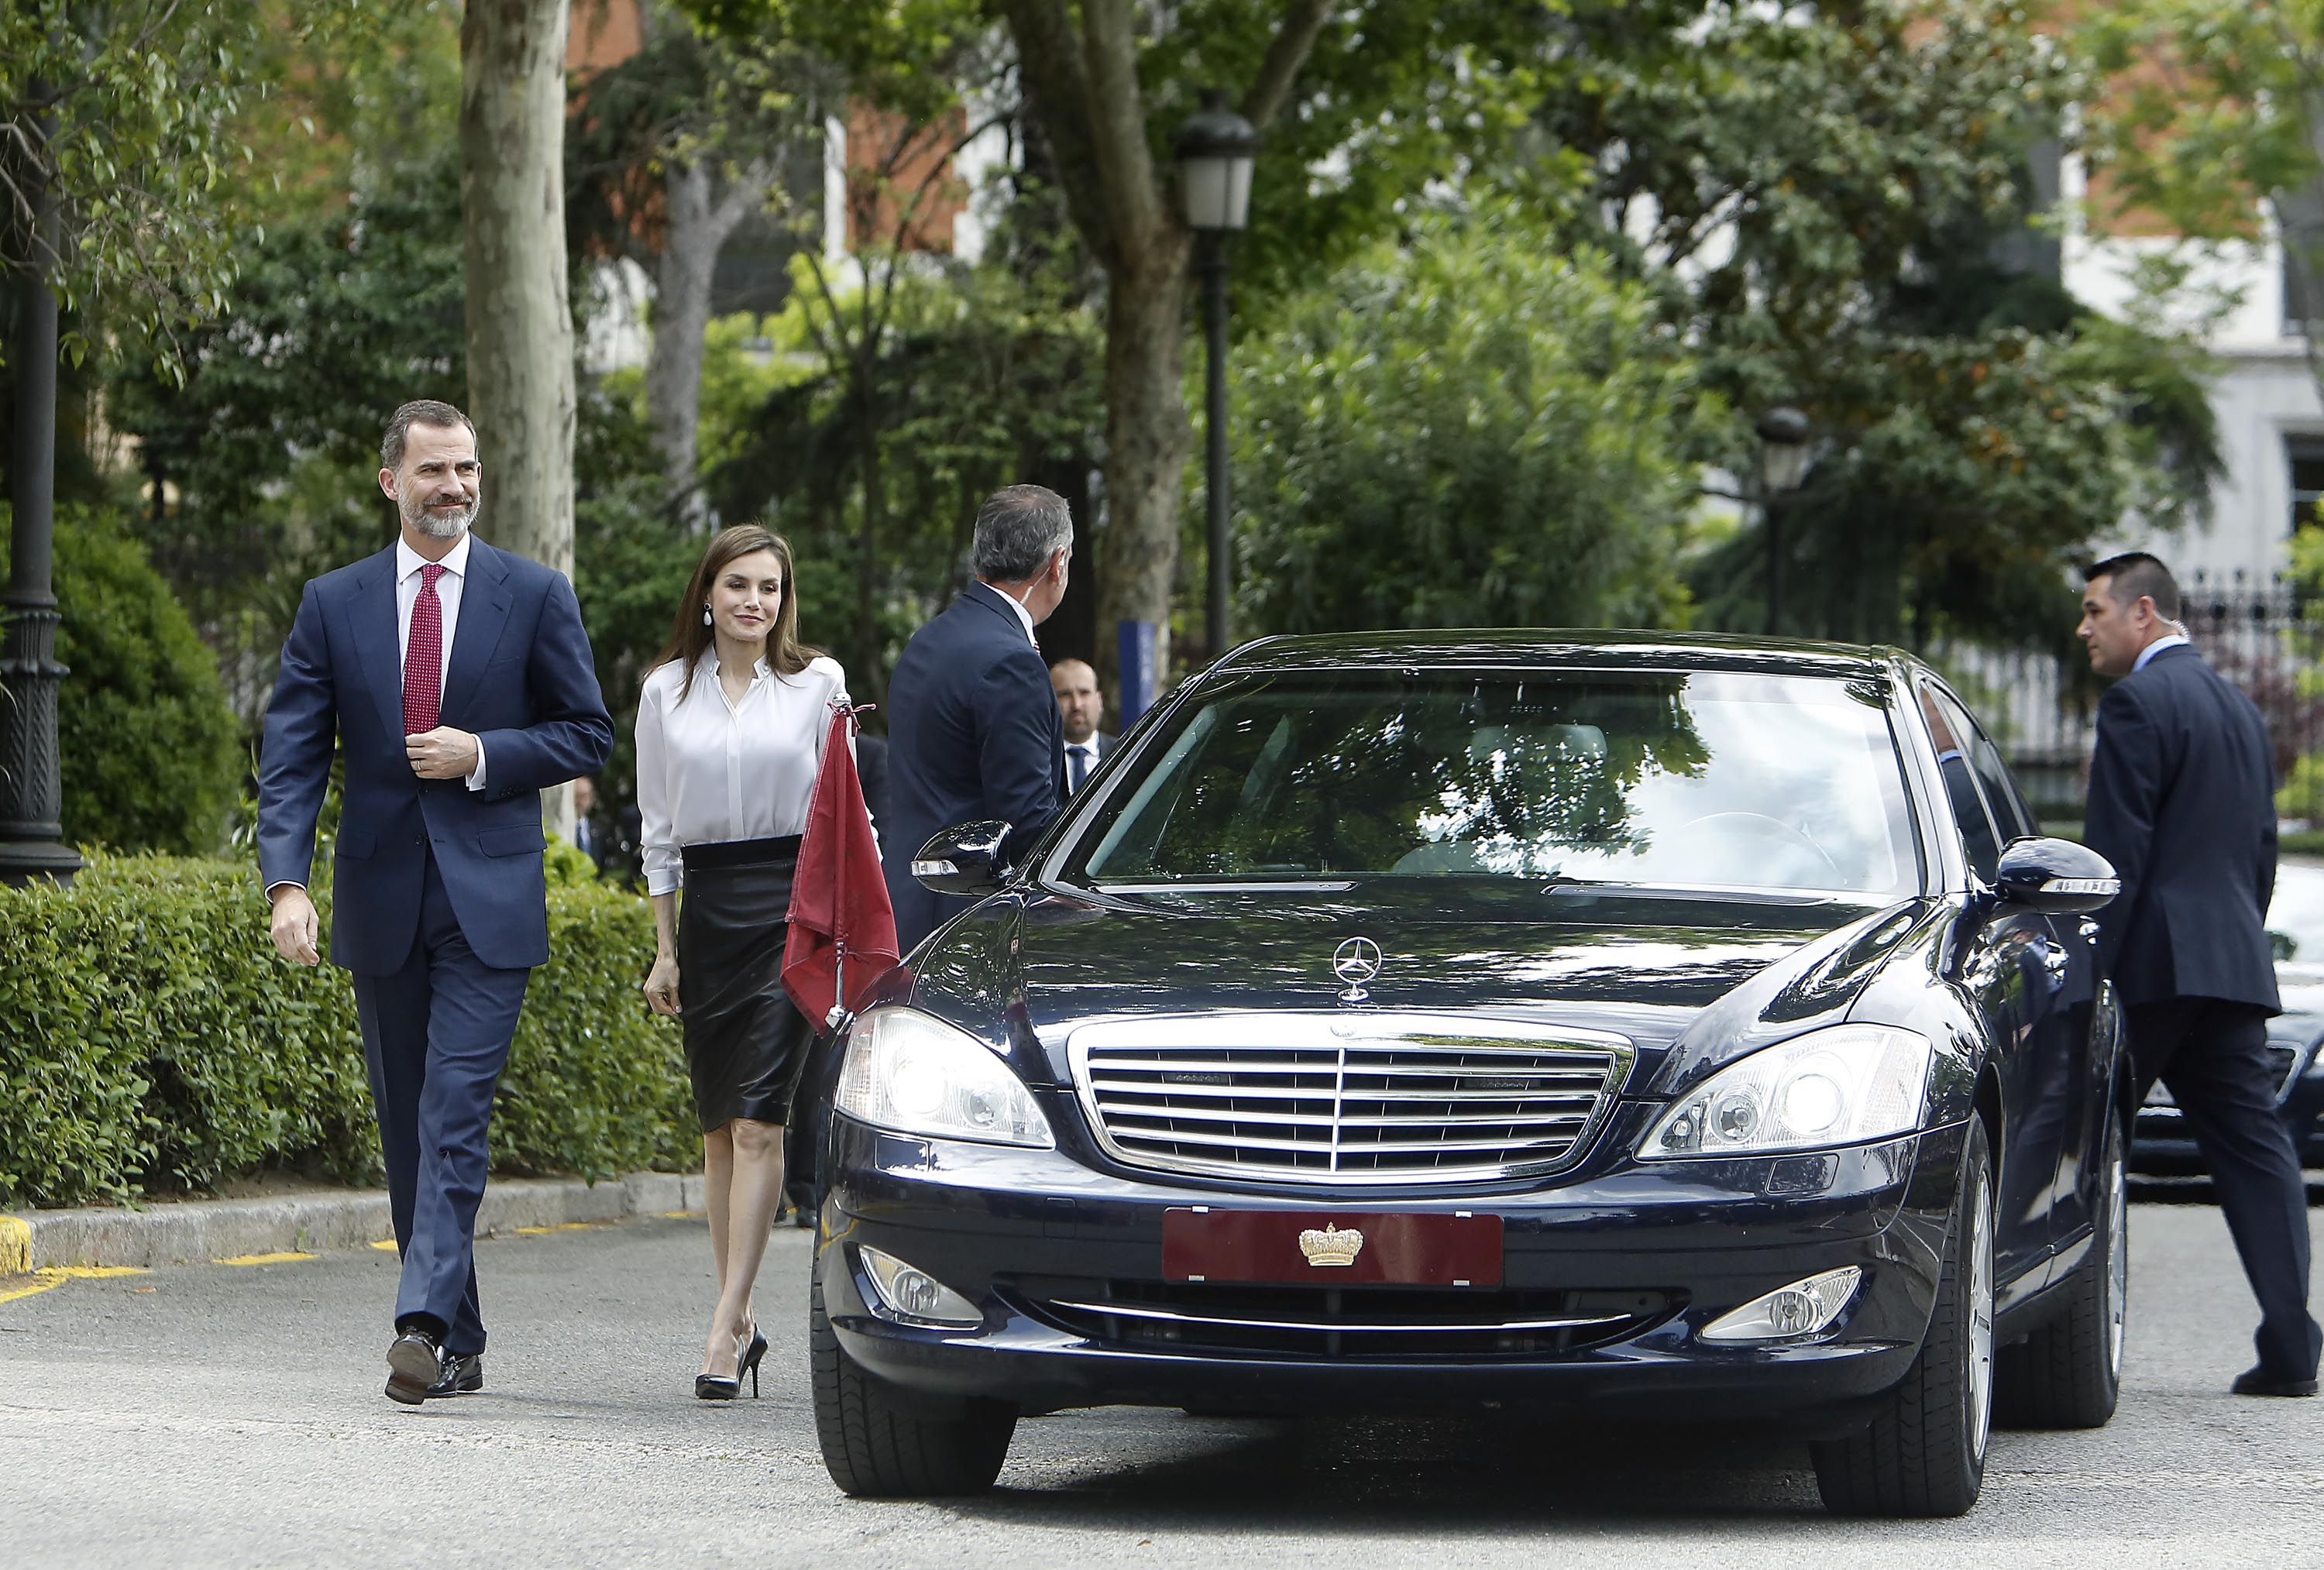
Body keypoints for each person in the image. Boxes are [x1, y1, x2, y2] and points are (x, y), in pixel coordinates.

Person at [258, 399, 614, 1406]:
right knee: (407, 1119)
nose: (454, 486)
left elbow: (586, 732)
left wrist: (488, 754)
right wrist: (287, 882)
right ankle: (459, 1336)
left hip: (488, 898)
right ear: (391, 482)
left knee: (455, 1104)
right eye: (433, 471)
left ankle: (417, 1317)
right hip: (380, 895)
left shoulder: (534, 593)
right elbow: (291, 758)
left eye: (466, 469)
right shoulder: (335, 602)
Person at [2078, 551, 2321, 1397]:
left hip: (2150, 967)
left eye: (2094, 611)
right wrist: (2232, 940)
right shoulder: (2240, 708)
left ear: (2143, 612)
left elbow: (2119, 856)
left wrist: (2088, 978)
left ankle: (2054, 1344)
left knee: (2081, 1139)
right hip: (2229, 963)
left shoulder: (2137, 701)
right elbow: (2260, 852)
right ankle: (2292, 1342)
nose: (2085, 629)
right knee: (2258, 1152)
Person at [634, 524, 851, 1400]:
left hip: (793, 909)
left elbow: (845, 812)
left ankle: (722, 1329)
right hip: (710, 914)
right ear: (708, 593)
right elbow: (655, 829)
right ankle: (743, 1310)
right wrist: (662, 947)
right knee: (721, 1130)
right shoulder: (663, 691)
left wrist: (855, 933)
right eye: (737, 586)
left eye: (768, 587)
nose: (754, 602)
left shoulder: (818, 683)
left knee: (762, 1121)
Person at [881, 485, 1071, 950]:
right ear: (1057, 563)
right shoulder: (1012, 662)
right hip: (974, 926)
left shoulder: (927, 640)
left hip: (910, 907)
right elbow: (1027, 821)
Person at [1050, 658, 1114, 795]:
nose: (1076, 705)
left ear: (1099, 700)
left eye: (1084, 693)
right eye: (1065, 695)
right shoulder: (1037, 761)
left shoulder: (1123, 754)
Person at [571, 775, 608, 871]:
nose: (579, 801)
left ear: (591, 798)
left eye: (583, 796)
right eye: (576, 796)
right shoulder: (565, 828)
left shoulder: (598, 830)